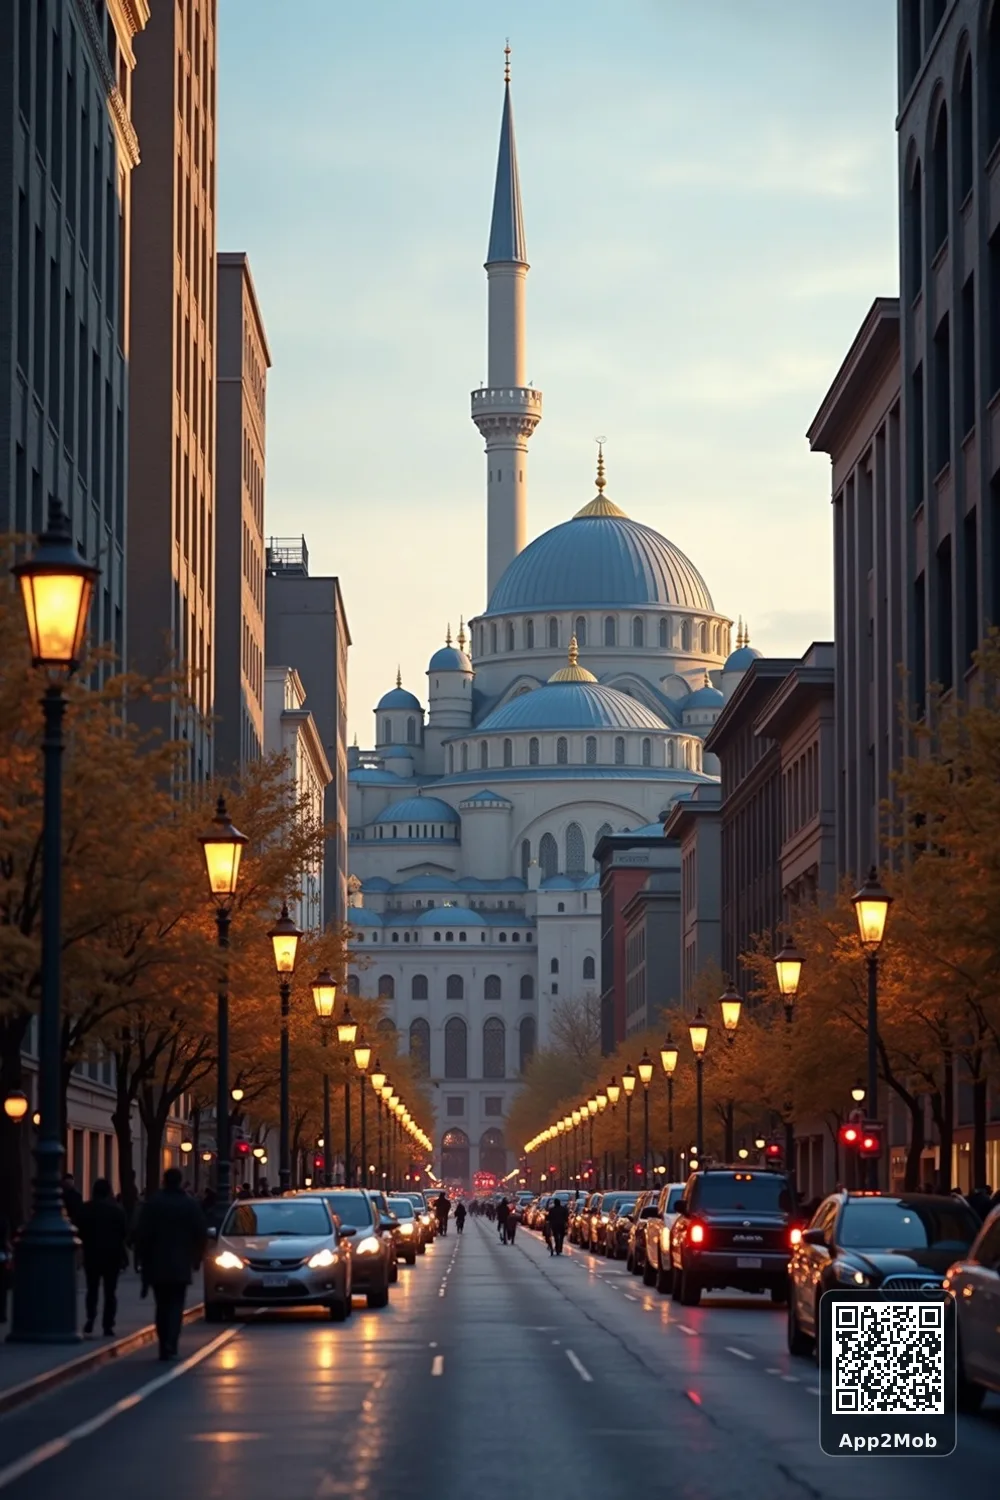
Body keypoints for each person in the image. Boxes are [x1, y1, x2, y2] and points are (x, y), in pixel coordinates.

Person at [134, 1167, 208, 1361]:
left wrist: (140, 1260)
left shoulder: (153, 1204)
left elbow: (142, 1235)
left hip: (157, 1263)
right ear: (180, 1181)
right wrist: (197, 1258)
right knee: (176, 1305)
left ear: (164, 1181)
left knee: (161, 1305)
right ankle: (171, 1343)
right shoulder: (189, 1204)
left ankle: (163, 1343)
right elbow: (200, 1233)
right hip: (180, 1262)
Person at [77, 1178, 129, 1337]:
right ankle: (108, 1324)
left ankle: (90, 1318)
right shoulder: (116, 1211)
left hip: (92, 1254)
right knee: (110, 1291)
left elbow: (79, 1230)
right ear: (108, 1192)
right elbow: (124, 1233)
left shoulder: (85, 1209)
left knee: (92, 1289)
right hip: (112, 1255)